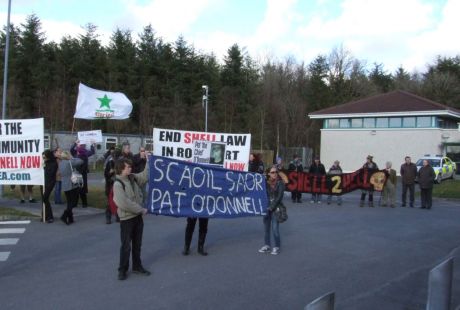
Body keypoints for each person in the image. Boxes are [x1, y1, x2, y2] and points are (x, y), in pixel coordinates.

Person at [113, 158, 150, 281]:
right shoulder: (118, 184)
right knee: (126, 246)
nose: (130, 168)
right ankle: (122, 270)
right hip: (127, 219)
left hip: (137, 218)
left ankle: (137, 266)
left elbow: (144, 177)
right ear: (121, 169)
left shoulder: (132, 177)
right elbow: (124, 203)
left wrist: (149, 162)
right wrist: (141, 209)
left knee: (137, 244)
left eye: (130, 166)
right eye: (128, 167)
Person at [258, 166, 285, 255]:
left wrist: (271, 207)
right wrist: (260, 177)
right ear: (269, 173)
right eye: (272, 172)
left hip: (275, 208)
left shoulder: (280, 183)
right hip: (266, 208)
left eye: (276, 172)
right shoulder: (265, 183)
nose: (275, 174)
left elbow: (279, 197)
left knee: (275, 229)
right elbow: (258, 190)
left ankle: (277, 246)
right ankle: (267, 245)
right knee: (266, 229)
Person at [59, 151, 83, 225]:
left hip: (64, 184)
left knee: (69, 201)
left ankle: (70, 218)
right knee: (73, 202)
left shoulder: (61, 163)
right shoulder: (70, 162)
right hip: (72, 184)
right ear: (67, 156)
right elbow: (81, 161)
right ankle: (64, 215)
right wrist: (72, 158)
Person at [70, 140, 95, 208]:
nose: (80, 146)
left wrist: (92, 145)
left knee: (81, 189)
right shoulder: (76, 153)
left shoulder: (84, 153)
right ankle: (77, 203)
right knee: (77, 188)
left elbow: (92, 152)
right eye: (80, 145)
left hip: (82, 173)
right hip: (77, 173)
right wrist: (75, 143)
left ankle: (83, 203)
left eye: (81, 145)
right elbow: (71, 149)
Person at [104, 147, 122, 224]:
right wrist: (111, 172)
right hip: (110, 185)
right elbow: (106, 175)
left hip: (118, 184)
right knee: (109, 202)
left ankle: (118, 216)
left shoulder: (120, 163)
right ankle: (108, 217)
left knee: (119, 201)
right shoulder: (110, 163)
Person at [41, 149, 58, 223]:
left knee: (45, 198)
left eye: (45, 157)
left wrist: (44, 166)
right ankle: (45, 215)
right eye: (43, 157)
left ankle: (50, 216)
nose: (44, 159)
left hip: (50, 182)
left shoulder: (54, 163)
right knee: (44, 199)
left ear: (48, 156)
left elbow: (51, 173)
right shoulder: (45, 162)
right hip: (43, 182)